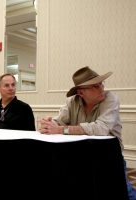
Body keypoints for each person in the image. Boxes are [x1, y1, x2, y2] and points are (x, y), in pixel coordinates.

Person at [38, 66, 136, 200]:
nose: (101, 88)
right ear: (81, 92)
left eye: (101, 83)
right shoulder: (72, 101)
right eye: (95, 86)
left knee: (123, 191)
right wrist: (49, 124)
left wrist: (61, 129)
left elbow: (101, 128)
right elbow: (59, 121)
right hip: (81, 154)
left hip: (108, 156)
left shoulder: (110, 99)